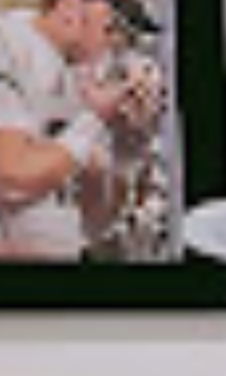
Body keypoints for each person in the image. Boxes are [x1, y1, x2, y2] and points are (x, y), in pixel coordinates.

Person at [0, 0, 162, 264]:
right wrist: (95, 119)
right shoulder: (9, 45)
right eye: (111, 29)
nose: (116, 46)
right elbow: (13, 178)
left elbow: (93, 225)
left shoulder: (73, 77)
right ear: (71, 7)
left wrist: (127, 145)